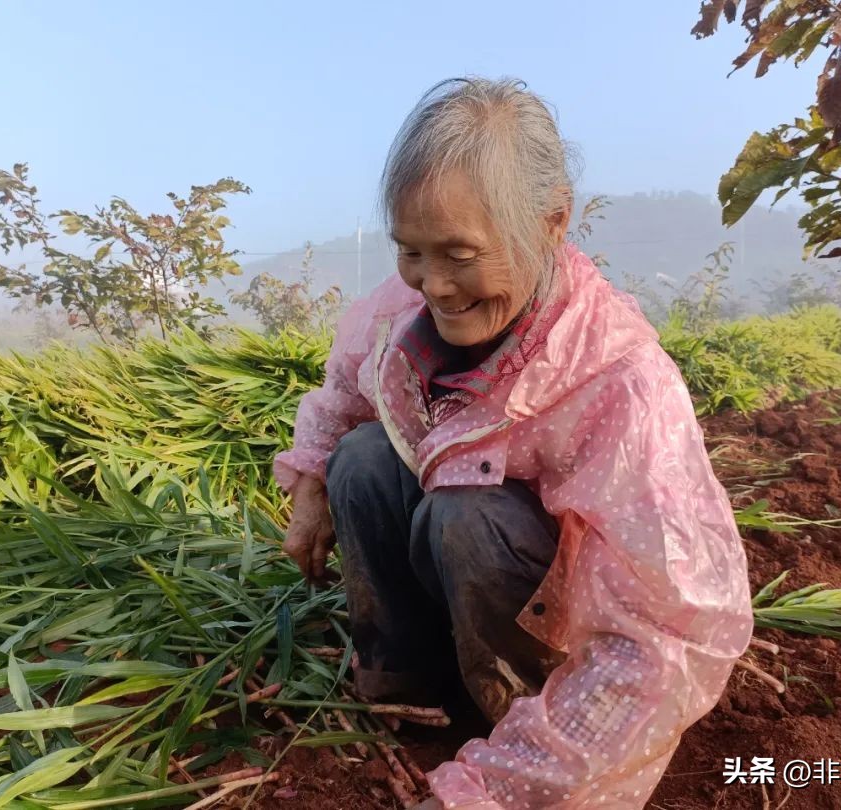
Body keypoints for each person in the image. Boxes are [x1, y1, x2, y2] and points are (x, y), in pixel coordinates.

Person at [273, 77, 753, 809]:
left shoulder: (619, 380)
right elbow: (346, 388)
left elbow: (663, 634)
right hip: (452, 575)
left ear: (552, 222)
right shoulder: (404, 314)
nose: (433, 285)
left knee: (465, 512)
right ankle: (404, 684)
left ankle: (504, 710)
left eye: (460, 255)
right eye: (411, 252)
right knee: (363, 459)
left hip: (551, 629)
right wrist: (310, 484)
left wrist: (499, 791)